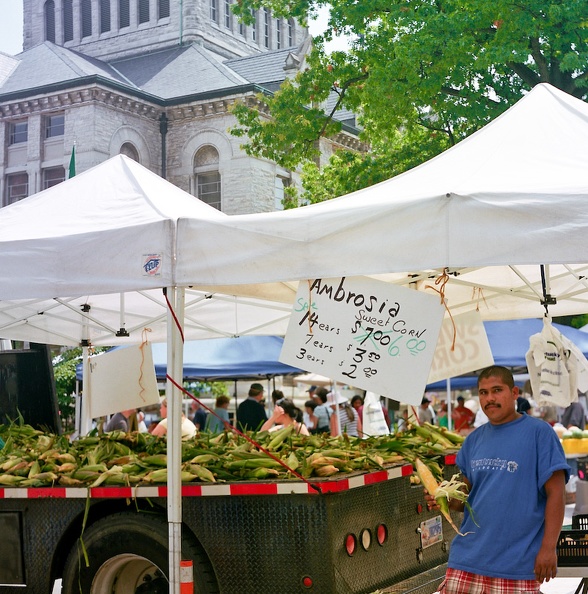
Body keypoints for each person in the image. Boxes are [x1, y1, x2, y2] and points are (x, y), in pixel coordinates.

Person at [428, 365, 569, 594]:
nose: (489, 399)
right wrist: (443, 498)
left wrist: (548, 547)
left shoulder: (539, 433)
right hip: (467, 562)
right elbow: (465, 500)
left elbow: (557, 493)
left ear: (514, 393)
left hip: (516, 566)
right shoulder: (473, 441)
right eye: (483, 393)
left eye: (497, 390)